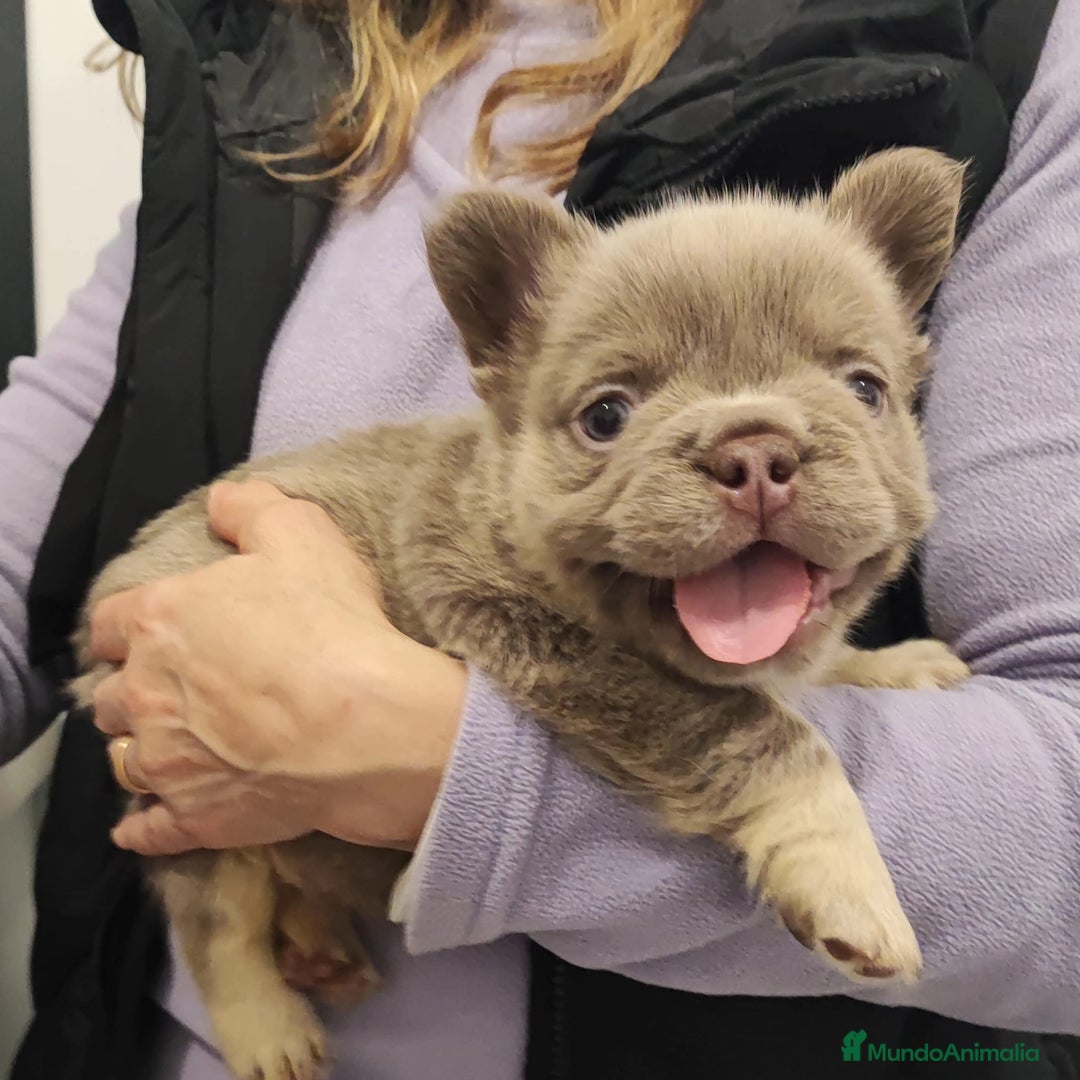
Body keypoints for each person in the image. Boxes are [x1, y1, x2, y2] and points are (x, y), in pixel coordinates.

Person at [5, 0, 1080, 1077]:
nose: (753, 461)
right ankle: (248, 946)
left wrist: (439, 757)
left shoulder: (1015, 40)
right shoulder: (253, 59)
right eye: (610, 414)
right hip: (152, 1033)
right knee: (222, 883)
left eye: (859, 387)